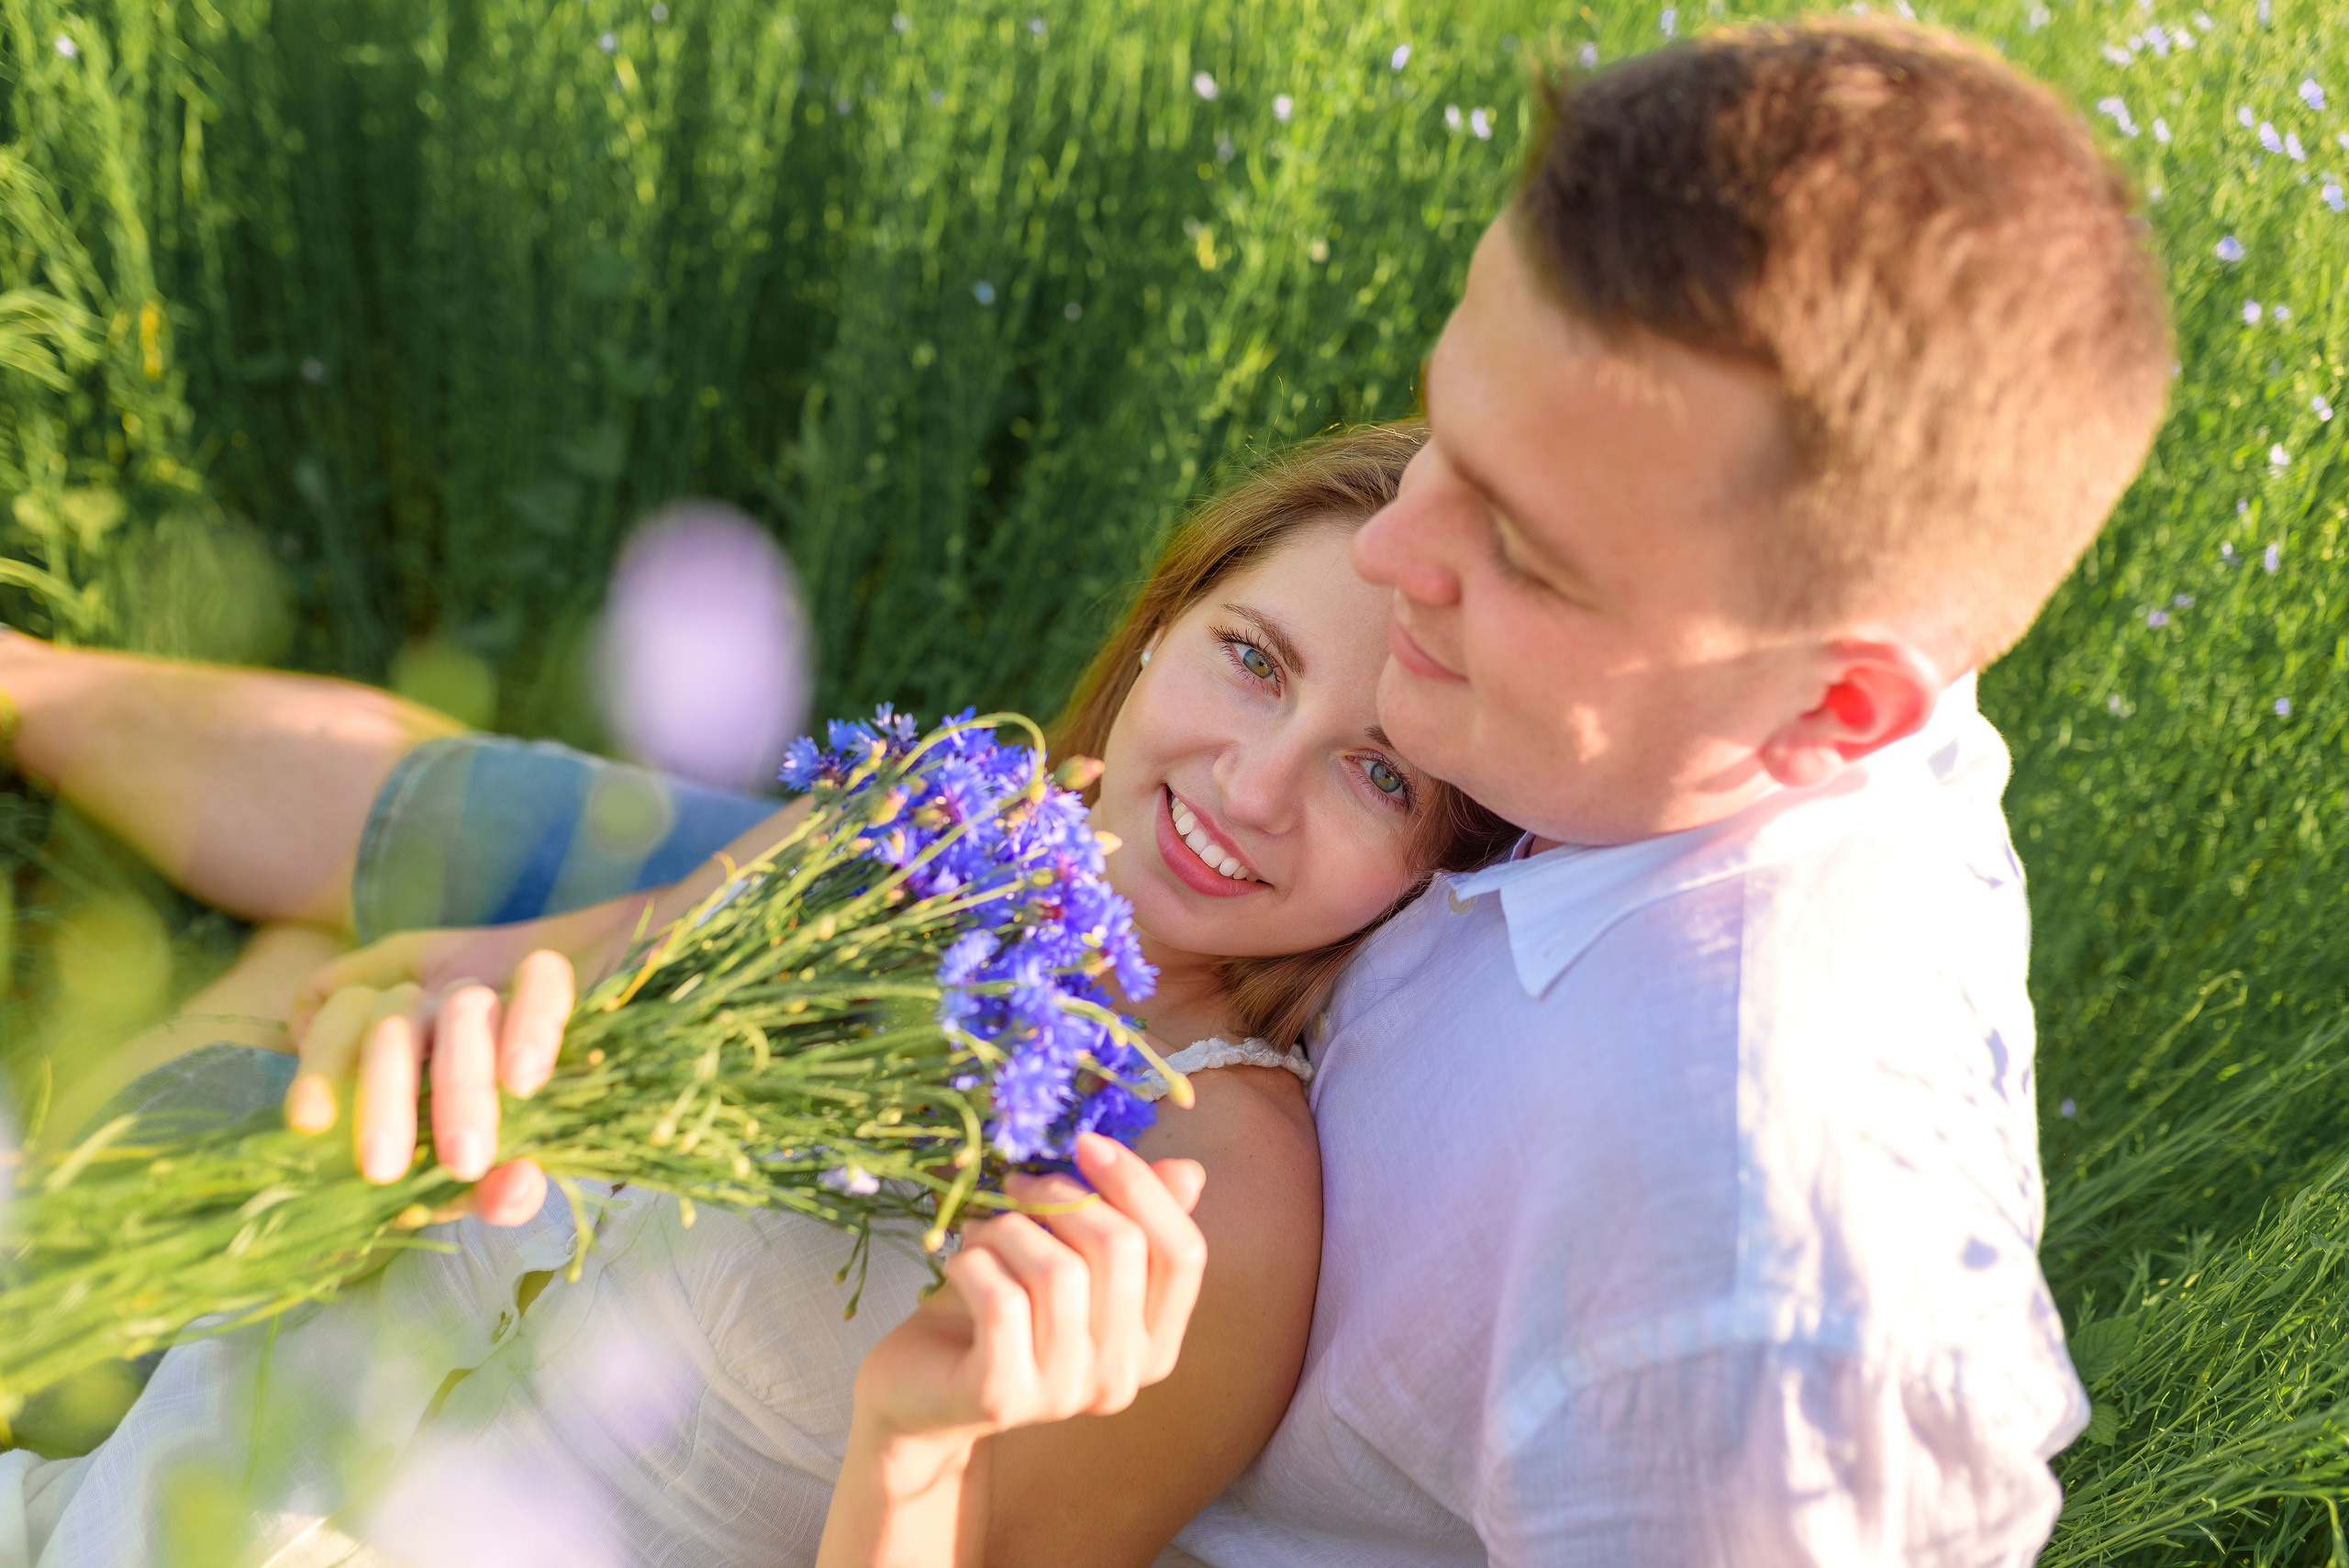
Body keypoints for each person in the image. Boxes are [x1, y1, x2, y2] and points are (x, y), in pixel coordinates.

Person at [293, 17, 2173, 1566]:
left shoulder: (1754, 1300)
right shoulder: (1731, 606)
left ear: (1833, 712)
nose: (1397, 545)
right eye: (1446, 429)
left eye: (1519, 548)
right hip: (927, 1041)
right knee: (442, 863)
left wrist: (922, 1443)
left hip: (887, 1431)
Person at [0, 425, 1517, 1567]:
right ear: (1157, 631)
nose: (1254, 786)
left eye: (1376, 772)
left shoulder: (1211, 1199)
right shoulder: (930, 827)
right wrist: (414, 1080)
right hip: (250, 1420)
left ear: (1426, 864)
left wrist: (916, 1443)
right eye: (1252, 658)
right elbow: (409, 995)